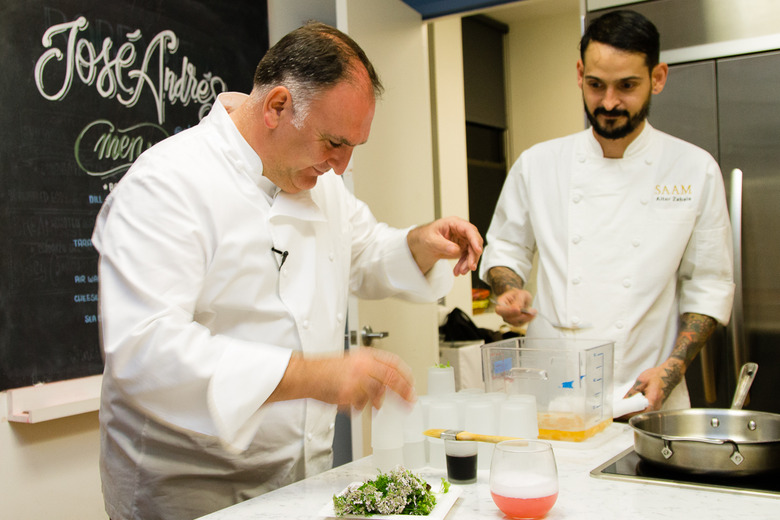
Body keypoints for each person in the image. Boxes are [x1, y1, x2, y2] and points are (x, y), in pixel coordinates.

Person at [92, 21, 482, 520]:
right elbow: (144, 351)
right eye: (333, 142)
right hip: (188, 485)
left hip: (301, 475)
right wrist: (310, 376)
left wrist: (419, 243)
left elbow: (363, 252)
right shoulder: (166, 184)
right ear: (277, 106)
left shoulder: (323, 186)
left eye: (352, 148)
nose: (340, 166)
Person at [480, 10, 734, 416]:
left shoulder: (693, 168)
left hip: (646, 395)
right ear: (580, 73)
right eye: (596, 85)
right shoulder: (539, 163)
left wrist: (673, 368)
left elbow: (708, 284)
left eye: (627, 86)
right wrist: (506, 289)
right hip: (553, 399)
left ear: (658, 78)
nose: (610, 102)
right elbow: (505, 250)